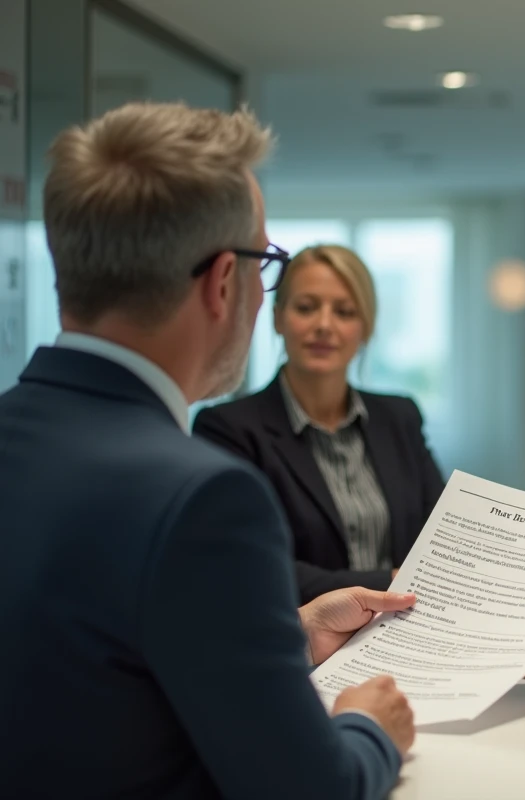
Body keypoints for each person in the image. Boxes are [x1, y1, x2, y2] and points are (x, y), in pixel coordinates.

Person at [0, 102, 417, 799]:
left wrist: (290, 633)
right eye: (269, 264)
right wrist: (367, 726)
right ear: (225, 281)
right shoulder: (202, 496)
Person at [193, 244, 445, 604]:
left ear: (365, 328)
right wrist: (387, 582)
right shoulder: (227, 429)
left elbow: (441, 535)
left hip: (404, 638)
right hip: (296, 645)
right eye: (306, 307)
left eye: (344, 312)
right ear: (278, 318)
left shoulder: (399, 417)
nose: (324, 325)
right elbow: (244, 562)